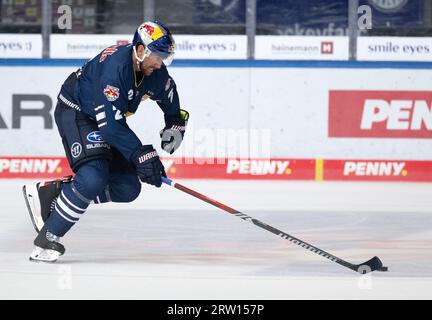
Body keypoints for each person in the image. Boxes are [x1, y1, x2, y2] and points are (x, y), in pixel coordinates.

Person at [22, 21, 189, 262]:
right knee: (93, 178)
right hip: (77, 112)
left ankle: (55, 194)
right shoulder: (115, 68)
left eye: (165, 57)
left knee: (127, 188)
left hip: (104, 120)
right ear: (140, 50)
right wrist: (141, 153)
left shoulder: (155, 71)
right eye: (157, 56)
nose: (160, 63)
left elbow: (168, 94)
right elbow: (110, 126)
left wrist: (175, 121)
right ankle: (48, 237)